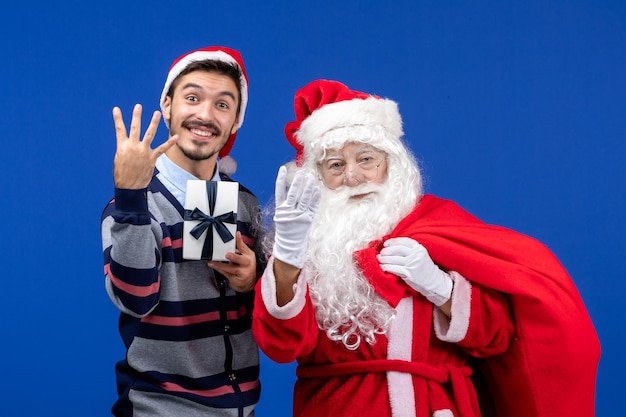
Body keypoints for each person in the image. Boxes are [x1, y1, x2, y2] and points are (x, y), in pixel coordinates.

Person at [252, 79, 600, 417]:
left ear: (391, 163)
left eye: (366, 159)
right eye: (336, 165)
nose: (354, 177)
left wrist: (442, 288)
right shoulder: (306, 244)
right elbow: (281, 347)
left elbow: (498, 337)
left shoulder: (439, 225)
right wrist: (288, 254)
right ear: (318, 177)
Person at [100, 46, 267, 417]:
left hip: (241, 408)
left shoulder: (245, 205)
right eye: (192, 98)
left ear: (236, 121)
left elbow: (277, 317)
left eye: (223, 105)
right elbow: (134, 299)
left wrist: (255, 278)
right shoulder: (133, 204)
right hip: (159, 409)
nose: (205, 115)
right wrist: (130, 195)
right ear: (169, 106)